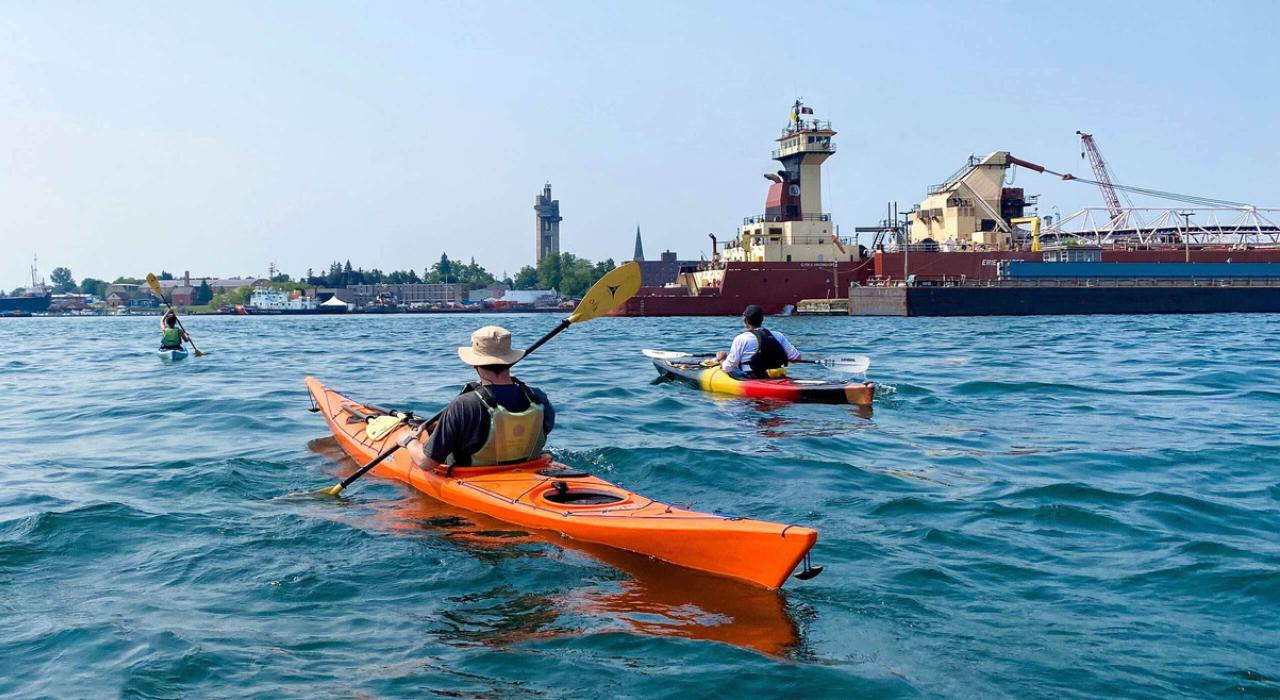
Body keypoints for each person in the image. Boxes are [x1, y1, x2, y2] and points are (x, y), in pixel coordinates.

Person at [400, 326, 555, 474]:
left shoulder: (464, 404)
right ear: (510, 361)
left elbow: (425, 462)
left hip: (473, 477)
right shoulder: (537, 397)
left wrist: (409, 441)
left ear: (474, 364)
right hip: (529, 468)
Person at [715, 304, 801, 378]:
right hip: (775, 375)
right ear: (762, 319)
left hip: (751, 377)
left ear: (745, 321)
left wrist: (721, 359)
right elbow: (796, 358)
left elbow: (728, 368)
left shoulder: (741, 339)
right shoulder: (778, 335)